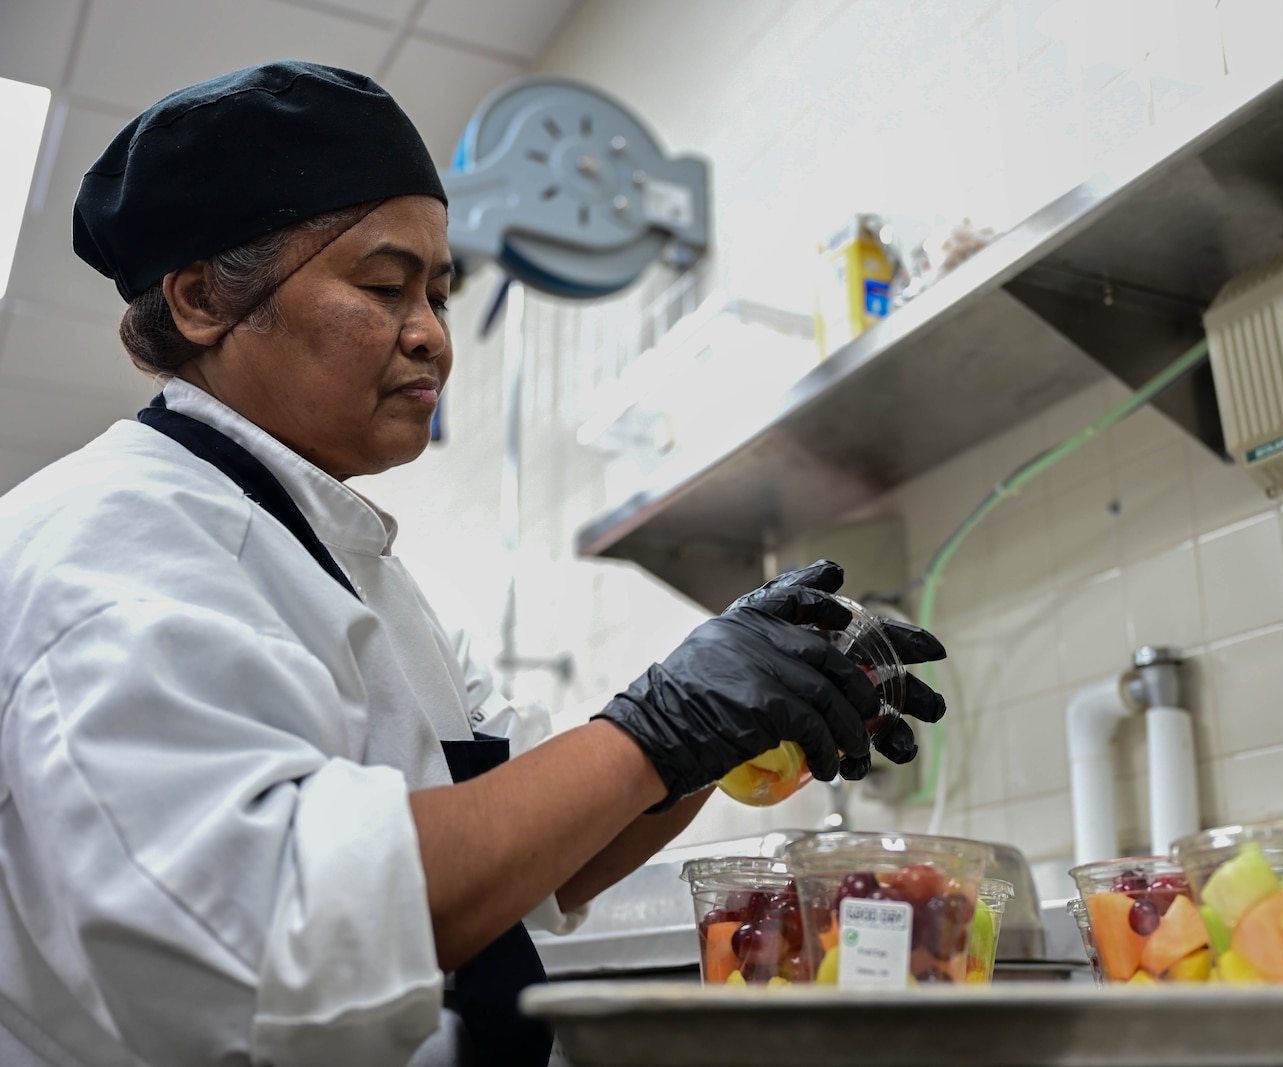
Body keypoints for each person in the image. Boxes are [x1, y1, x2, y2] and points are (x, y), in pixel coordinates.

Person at [0, 62, 947, 1067]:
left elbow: (542, 853)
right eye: (382, 286)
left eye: (439, 295)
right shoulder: (110, 547)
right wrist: (667, 721)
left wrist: (731, 713)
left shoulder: (370, 578)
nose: (431, 336)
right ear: (199, 300)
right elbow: (286, 936)